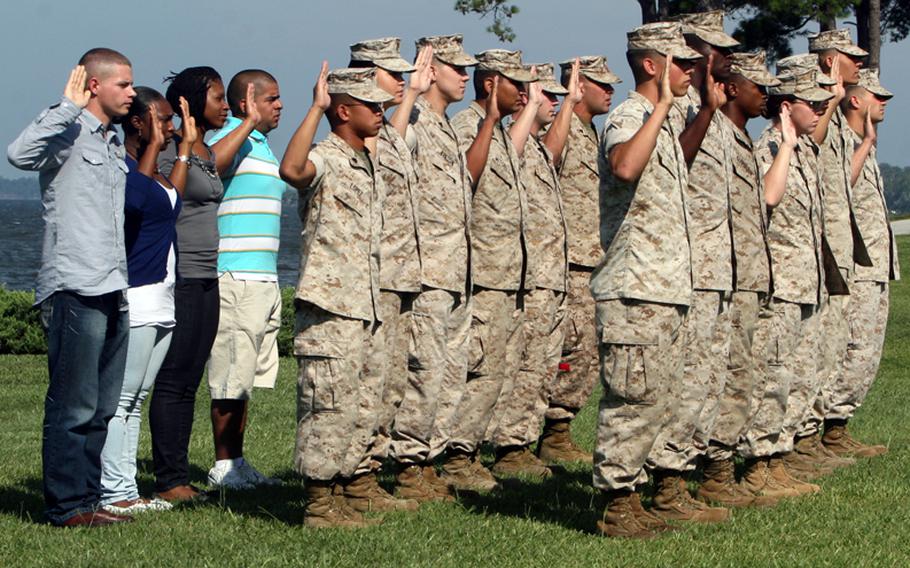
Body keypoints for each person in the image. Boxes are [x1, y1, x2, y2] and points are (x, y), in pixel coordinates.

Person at [8, 48, 136, 527]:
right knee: (73, 403)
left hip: (111, 283)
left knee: (101, 407)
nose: (130, 92)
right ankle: (65, 507)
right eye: (122, 84)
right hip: (73, 285)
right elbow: (18, 154)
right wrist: (65, 106)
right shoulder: (66, 130)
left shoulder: (112, 141)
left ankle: (88, 499)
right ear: (94, 84)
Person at [592, 22, 702, 538]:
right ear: (654, 66)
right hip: (633, 287)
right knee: (632, 398)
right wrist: (658, 107)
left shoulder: (664, 117)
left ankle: (639, 496)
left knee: (658, 396)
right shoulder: (629, 115)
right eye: (682, 63)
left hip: (665, 285)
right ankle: (616, 505)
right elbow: (624, 167)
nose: (691, 72)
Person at [279, 65, 389, 528]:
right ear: (344, 111)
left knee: (360, 403)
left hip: (364, 301)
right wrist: (316, 108)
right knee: (326, 404)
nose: (382, 112)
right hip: (330, 305)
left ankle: (346, 490)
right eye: (373, 106)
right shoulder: (325, 156)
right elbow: (291, 169)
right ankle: (319, 503)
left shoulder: (367, 158)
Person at [647, 9, 737, 522]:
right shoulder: (679, 108)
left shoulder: (710, 106)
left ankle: (681, 478)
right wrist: (703, 109)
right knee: (680, 384)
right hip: (686, 269)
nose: (724, 60)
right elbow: (673, 167)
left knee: (704, 383)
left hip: (715, 268)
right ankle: (665, 486)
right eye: (714, 51)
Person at [340, 37, 433, 509]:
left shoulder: (388, 132)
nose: (400, 82)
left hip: (400, 278)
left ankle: (368, 474)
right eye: (390, 74)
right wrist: (410, 96)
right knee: (365, 384)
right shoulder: (356, 139)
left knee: (390, 386)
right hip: (372, 281)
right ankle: (353, 477)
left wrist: (410, 96)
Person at [696, 51, 790, 507]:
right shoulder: (712, 134)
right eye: (759, 87)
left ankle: (721, 469)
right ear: (732, 88)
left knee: (740, 378)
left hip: (747, 278)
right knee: (718, 378)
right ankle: (712, 472)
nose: (765, 97)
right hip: (720, 279)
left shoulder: (740, 140)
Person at [740, 67, 835, 498]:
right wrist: (786, 147)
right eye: (810, 104)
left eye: (821, 104)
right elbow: (767, 197)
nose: (819, 111)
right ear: (785, 108)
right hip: (779, 287)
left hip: (806, 284)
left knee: (797, 375)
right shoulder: (770, 148)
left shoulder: (805, 151)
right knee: (772, 377)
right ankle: (757, 465)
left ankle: (779, 457)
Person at [388, 34, 476, 502]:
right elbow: (391, 150)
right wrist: (411, 95)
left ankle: (428, 459)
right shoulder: (417, 118)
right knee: (423, 372)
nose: (465, 75)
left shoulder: (444, 125)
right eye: (456, 67)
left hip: (455, 269)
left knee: (448, 372)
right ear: (431, 69)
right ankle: (408, 463)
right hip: (427, 273)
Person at [484, 61, 581, 478]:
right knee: (522, 365)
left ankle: (523, 443)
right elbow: (508, 153)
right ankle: (510, 447)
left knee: (541, 365)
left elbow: (551, 149)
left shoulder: (539, 145)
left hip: (549, 273)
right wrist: (531, 105)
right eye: (547, 96)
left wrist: (567, 105)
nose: (552, 103)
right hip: (528, 274)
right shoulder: (507, 136)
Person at [99, 87, 192, 514]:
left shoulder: (153, 173)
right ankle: (112, 491)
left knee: (137, 398)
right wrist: (156, 146)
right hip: (136, 297)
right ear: (138, 123)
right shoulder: (125, 169)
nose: (170, 127)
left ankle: (126, 489)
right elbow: (135, 203)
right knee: (121, 398)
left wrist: (185, 149)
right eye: (163, 119)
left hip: (162, 297)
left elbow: (168, 202)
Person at [443, 49, 533, 490]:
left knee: (499, 370)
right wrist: (488, 123)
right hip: (483, 274)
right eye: (517, 84)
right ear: (492, 85)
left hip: (507, 274)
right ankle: (458, 456)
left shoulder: (499, 132)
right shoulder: (468, 126)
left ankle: (473, 451)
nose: (526, 93)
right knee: (479, 370)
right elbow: (465, 179)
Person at [148, 66, 228, 503]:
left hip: (206, 276)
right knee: (173, 378)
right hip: (178, 276)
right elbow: (163, 202)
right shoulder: (167, 153)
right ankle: (169, 479)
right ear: (192, 104)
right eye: (218, 98)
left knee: (190, 378)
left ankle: (177, 476)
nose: (227, 106)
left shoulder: (206, 153)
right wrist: (183, 142)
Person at [204, 69, 285, 489]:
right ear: (245, 101)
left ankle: (236, 460)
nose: (279, 105)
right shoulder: (234, 133)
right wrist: (248, 123)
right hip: (235, 274)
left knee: (245, 377)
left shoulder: (263, 146)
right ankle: (222, 465)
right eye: (271, 98)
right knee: (229, 374)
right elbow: (209, 165)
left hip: (262, 275)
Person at [538, 56, 619, 464]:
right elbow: (547, 158)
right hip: (570, 261)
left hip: (596, 259)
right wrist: (566, 103)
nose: (611, 91)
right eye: (601, 84)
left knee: (587, 351)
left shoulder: (596, 133)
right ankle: (551, 431)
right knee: (572, 351)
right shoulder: (564, 128)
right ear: (579, 86)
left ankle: (559, 430)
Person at [821, 69, 897, 457]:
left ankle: (839, 425)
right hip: (856, 266)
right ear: (855, 100)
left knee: (866, 351)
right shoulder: (839, 142)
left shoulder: (859, 142)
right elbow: (837, 189)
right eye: (876, 96)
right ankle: (826, 429)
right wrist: (865, 144)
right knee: (850, 348)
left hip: (876, 265)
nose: (883, 102)